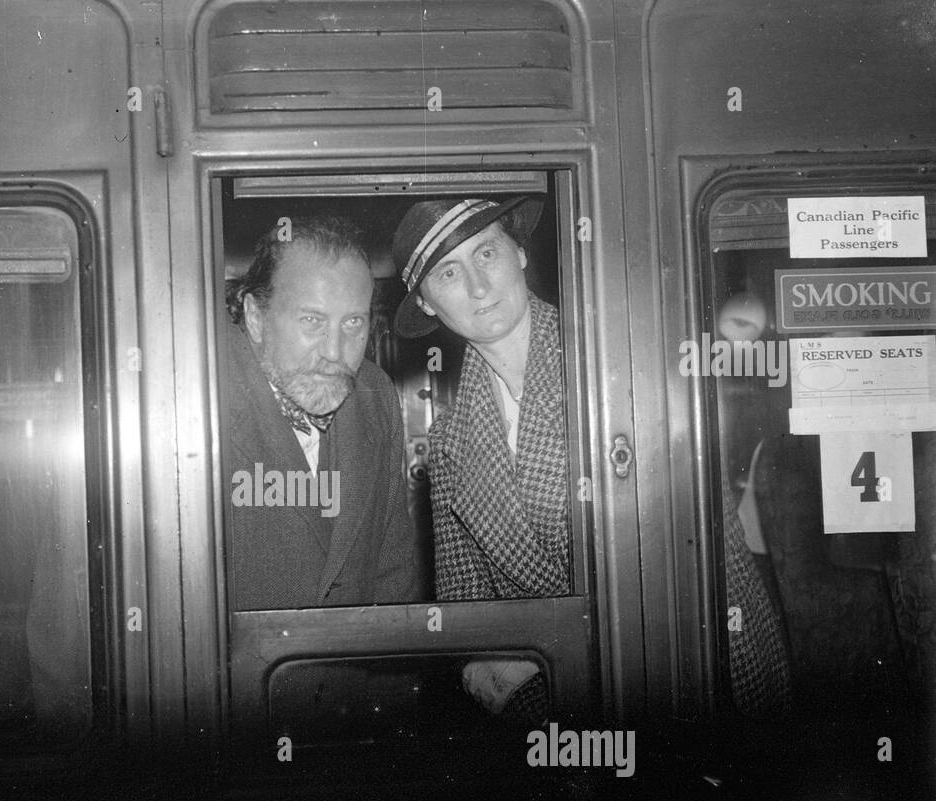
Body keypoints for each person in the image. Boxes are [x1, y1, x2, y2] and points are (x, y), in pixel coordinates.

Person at [393, 197, 789, 719]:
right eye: (448, 272)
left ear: (520, 252)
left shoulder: (623, 360)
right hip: (560, 714)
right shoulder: (449, 442)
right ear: (425, 304)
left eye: (486, 253)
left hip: (697, 682)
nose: (478, 287)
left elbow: (684, 575)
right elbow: (473, 623)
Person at [223, 215, 421, 610]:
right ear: (256, 318)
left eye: (352, 322)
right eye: (312, 321)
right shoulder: (196, 399)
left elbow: (393, 576)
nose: (334, 351)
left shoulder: (375, 393)